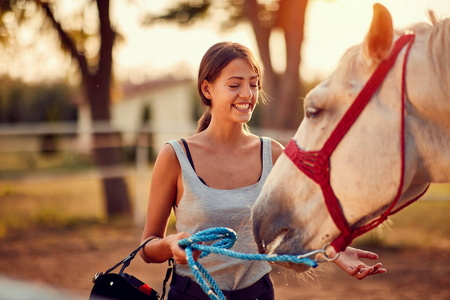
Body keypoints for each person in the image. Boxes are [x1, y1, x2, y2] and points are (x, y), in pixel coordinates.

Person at [140, 42, 387, 300]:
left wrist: (331, 249)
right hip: (191, 295)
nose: (247, 94)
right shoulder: (175, 156)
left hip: (258, 294)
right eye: (235, 85)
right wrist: (170, 245)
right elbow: (147, 248)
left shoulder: (274, 154)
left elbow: (294, 226)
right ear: (207, 88)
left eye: (254, 84)